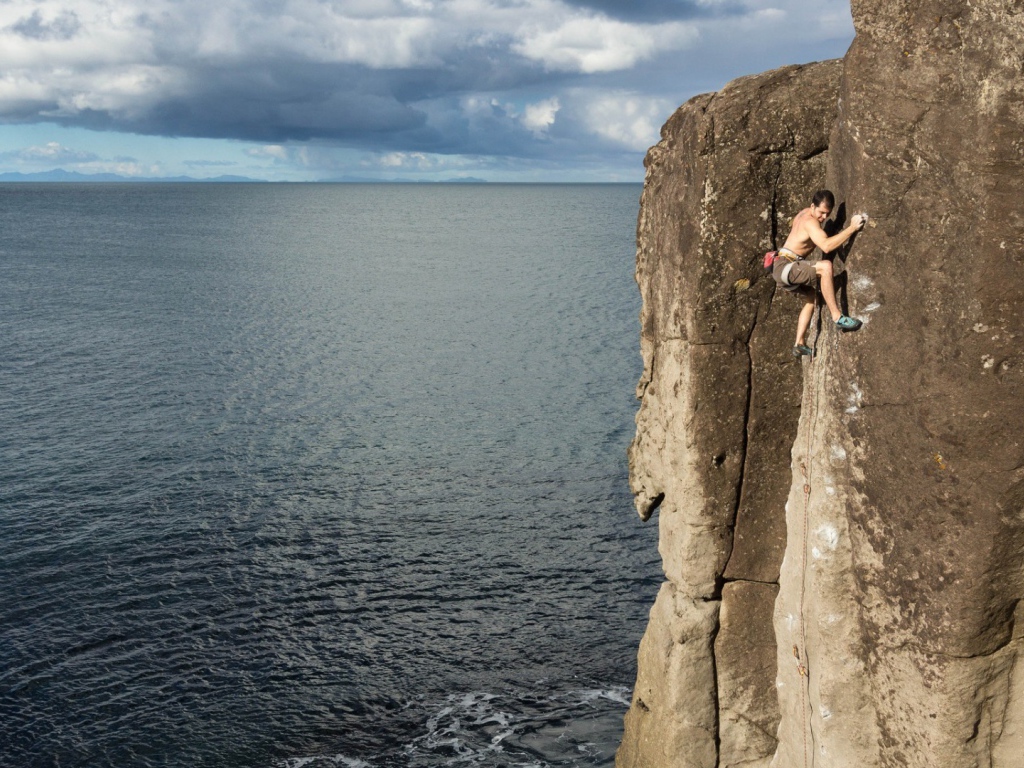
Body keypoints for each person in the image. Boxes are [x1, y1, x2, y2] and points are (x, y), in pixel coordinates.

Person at [773, 190, 867, 357]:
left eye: (827, 214)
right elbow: (826, 246)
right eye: (821, 212)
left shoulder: (803, 213)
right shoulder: (810, 222)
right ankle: (838, 317)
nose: (823, 218)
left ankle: (799, 343)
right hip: (786, 266)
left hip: (781, 269)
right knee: (825, 267)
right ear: (812, 206)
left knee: (812, 297)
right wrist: (852, 228)